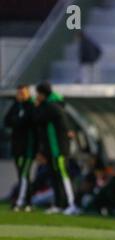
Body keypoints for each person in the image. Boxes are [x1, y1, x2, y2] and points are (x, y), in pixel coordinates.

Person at [33, 82, 79, 215]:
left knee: (63, 175)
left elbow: (37, 119)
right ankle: (59, 204)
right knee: (56, 177)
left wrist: (36, 107)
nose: (37, 97)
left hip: (59, 149)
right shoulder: (52, 105)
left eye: (38, 95)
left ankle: (71, 204)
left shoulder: (51, 106)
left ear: (42, 94)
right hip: (53, 150)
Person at [4, 85, 37, 211]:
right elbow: (7, 121)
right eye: (19, 93)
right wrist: (18, 120)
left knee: (24, 174)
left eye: (23, 93)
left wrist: (18, 121)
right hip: (17, 146)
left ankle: (20, 201)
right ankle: (28, 202)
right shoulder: (16, 106)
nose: (21, 95)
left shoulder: (31, 106)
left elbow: (29, 122)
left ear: (28, 93)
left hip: (28, 147)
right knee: (22, 175)